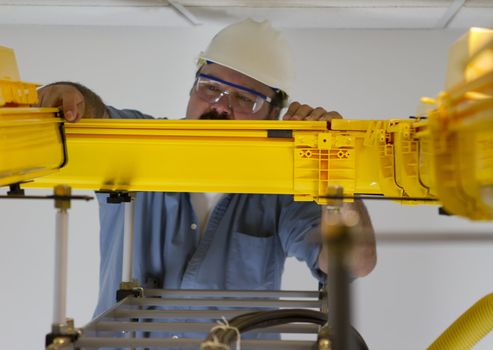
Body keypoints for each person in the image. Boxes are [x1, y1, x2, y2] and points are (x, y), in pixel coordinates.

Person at [38, 18, 377, 337]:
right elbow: (94, 118)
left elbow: (354, 261)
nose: (220, 105)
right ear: (191, 89)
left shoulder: (285, 187)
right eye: (210, 87)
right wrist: (71, 97)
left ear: (275, 115)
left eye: (245, 98)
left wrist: (333, 162)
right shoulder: (139, 145)